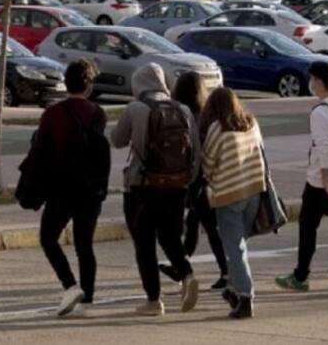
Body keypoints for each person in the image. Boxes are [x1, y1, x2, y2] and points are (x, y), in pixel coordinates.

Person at [111, 63, 201, 316]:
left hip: (142, 187)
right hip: (177, 186)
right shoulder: (183, 109)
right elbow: (196, 153)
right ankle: (187, 274)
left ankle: (153, 300)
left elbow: (117, 140)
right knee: (170, 237)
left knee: (144, 244)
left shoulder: (136, 108)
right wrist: (184, 181)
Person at [274, 61, 328, 297]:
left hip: (321, 181)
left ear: (320, 82)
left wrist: (324, 178)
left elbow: (323, 145)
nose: (311, 83)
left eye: (313, 79)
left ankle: (301, 276)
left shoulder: (321, 112)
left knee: (308, 228)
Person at [36, 59, 110, 318]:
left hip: (60, 187)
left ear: (66, 83)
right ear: (89, 85)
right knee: (84, 244)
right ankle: (87, 299)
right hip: (90, 189)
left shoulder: (53, 113)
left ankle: (69, 285)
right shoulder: (97, 113)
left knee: (48, 238)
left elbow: (41, 149)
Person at [159, 72, 229, 291]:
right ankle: (182, 266)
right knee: (196, 224)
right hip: (208, 178)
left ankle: (222, 271)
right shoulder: (205, 114)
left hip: (196, 179)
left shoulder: (184, 115)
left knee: (208, 227)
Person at [202, 86, 267, 319]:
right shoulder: (251, 123)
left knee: (234, 248)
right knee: (239, 245)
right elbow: (261, 151)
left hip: (229, 194)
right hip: (254, 190)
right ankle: (232, 287)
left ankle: (245, 296)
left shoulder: (217, 128)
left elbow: (207, 163)